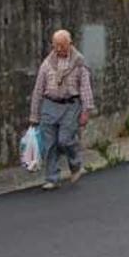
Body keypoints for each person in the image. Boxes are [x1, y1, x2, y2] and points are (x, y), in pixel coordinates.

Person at [29, 30, 95, 190]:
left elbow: (85, 88)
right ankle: (52, 178)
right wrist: (34, 115)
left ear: (70, 44)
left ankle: (76, 163)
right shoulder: (47, 63)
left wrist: (86, 111)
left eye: (61, 45)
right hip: (49, 105)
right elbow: (38, 89)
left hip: (70, 106)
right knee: (49, 144)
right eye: (55, 45)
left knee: (64, 140)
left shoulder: (79, 63)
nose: (58, 49)